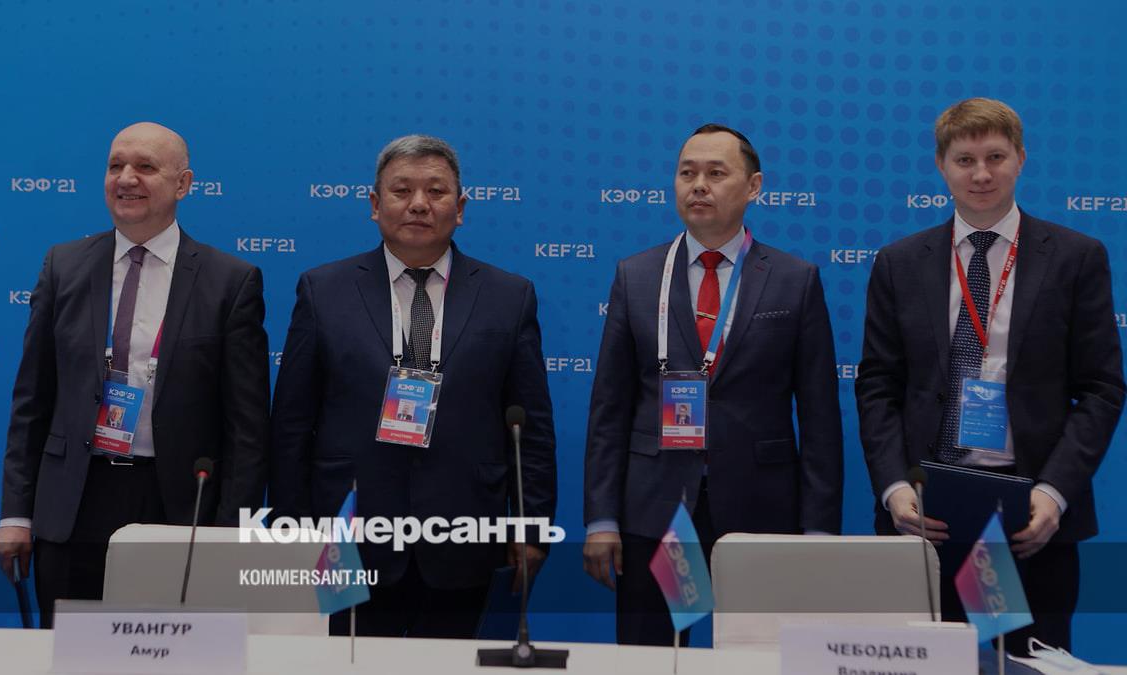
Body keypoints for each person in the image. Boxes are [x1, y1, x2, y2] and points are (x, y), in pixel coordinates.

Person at [856, 98, 1124, 654]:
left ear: (1021, 158)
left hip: (1031, 520)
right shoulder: (899, 262)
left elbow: (1101, 389)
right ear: (941, 165)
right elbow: (878, 385)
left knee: (1030, 664)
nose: (981, 174)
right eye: (965, 160)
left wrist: (1054, 493)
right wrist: (894, 488)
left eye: (995, 157)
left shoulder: (1076, 257)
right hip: (925, 515)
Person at [269, 134, 557, 638]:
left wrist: (532, 528)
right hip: (349, 533)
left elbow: (528, 428)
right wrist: (292, 526)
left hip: (465, 529)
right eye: (402, 191)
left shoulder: (509, 296)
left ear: (460, 208)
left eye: (436, 191)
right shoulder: (323, 290)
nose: (419, 204)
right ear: (375, 204)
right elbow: (292, 422)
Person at [0, 122, 270, 628]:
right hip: (75, 501)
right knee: (73, 653)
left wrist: (231, 533)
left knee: (173, 653)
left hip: (177, 506)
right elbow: (32, 400)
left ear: (183, 184)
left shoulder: (230, 281)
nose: (125, 178)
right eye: (115, 165)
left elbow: (247, 427)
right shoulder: (63, 266)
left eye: (145, 166)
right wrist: (16, 513)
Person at [583, 123, 843, 645]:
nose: (698, 185)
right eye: (687, 173)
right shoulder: (637, 275)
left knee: (757, 657)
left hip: (760, 507)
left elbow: (819, 417)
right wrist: (601, 519)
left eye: (716, 173)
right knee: (649, 658)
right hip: (653, 506)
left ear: (754, 186)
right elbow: (610, 409)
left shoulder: (794, 279)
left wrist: (818, 530)